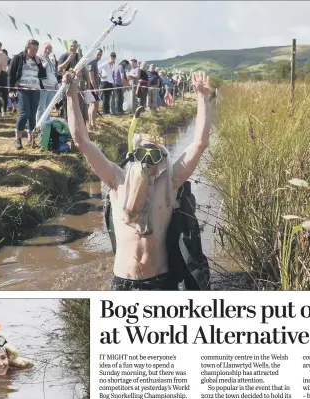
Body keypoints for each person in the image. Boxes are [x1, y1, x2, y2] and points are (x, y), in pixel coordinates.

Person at [64, 71, 212, 290]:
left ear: (163, 158)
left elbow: (199, 143)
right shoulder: (116, 180)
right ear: (134, 155)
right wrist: (70, 93)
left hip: (160, 282)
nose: (149, 162)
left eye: (156, 155)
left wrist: (202, 97)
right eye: (144, 154)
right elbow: (81, 141)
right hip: (123, 283)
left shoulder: (170, 182)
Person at [8, 39, 47, 149]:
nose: (35, 51)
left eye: (36, 49)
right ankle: (18, 139)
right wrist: (10, 90)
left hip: (35, 89)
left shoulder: (37, 60)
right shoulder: (18, 58)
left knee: (32, 115)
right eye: (33, 49)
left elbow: (43, 76)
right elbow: (10, 74)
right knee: (24, 113)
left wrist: (40, 64)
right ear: (27, 48)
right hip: (22, 89)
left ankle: (31, 140)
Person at [35, 40, 58, 125]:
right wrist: (42, 67)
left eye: (49, 49)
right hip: (43, 86)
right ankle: (38, 127)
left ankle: (46, 128)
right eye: (46, 48)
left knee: (48, 108)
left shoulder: (50, 59)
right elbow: (37, 71)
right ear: (42, 48)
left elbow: (53, 73)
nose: (47, 50)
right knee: (41, 108)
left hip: (51, 86)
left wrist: (56, 84)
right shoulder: (38, 57)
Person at [56, 39, 79, 120]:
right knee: (67, 105)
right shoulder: (64, 56)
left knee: (75, 106)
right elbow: (59, 69)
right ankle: (66, 122)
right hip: (66, 85)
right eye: (71, 46)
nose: (72, 48)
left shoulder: (78, 57)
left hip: (76, 84)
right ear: (68, 47)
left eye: (74, 46)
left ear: (77, 47)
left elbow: (83, 69)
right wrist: (68, 60)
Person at [86, 48, 102, 130]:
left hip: (94, 86)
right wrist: (95, 88)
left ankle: (91, 123)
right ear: (94, 54)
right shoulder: (92, 62)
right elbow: (91, 77)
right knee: (94, 105)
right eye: (98, 54)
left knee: (92, 105)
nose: (99, 56)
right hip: (92, 87)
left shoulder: (95, 63)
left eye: (100, 55)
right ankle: (92, 124)